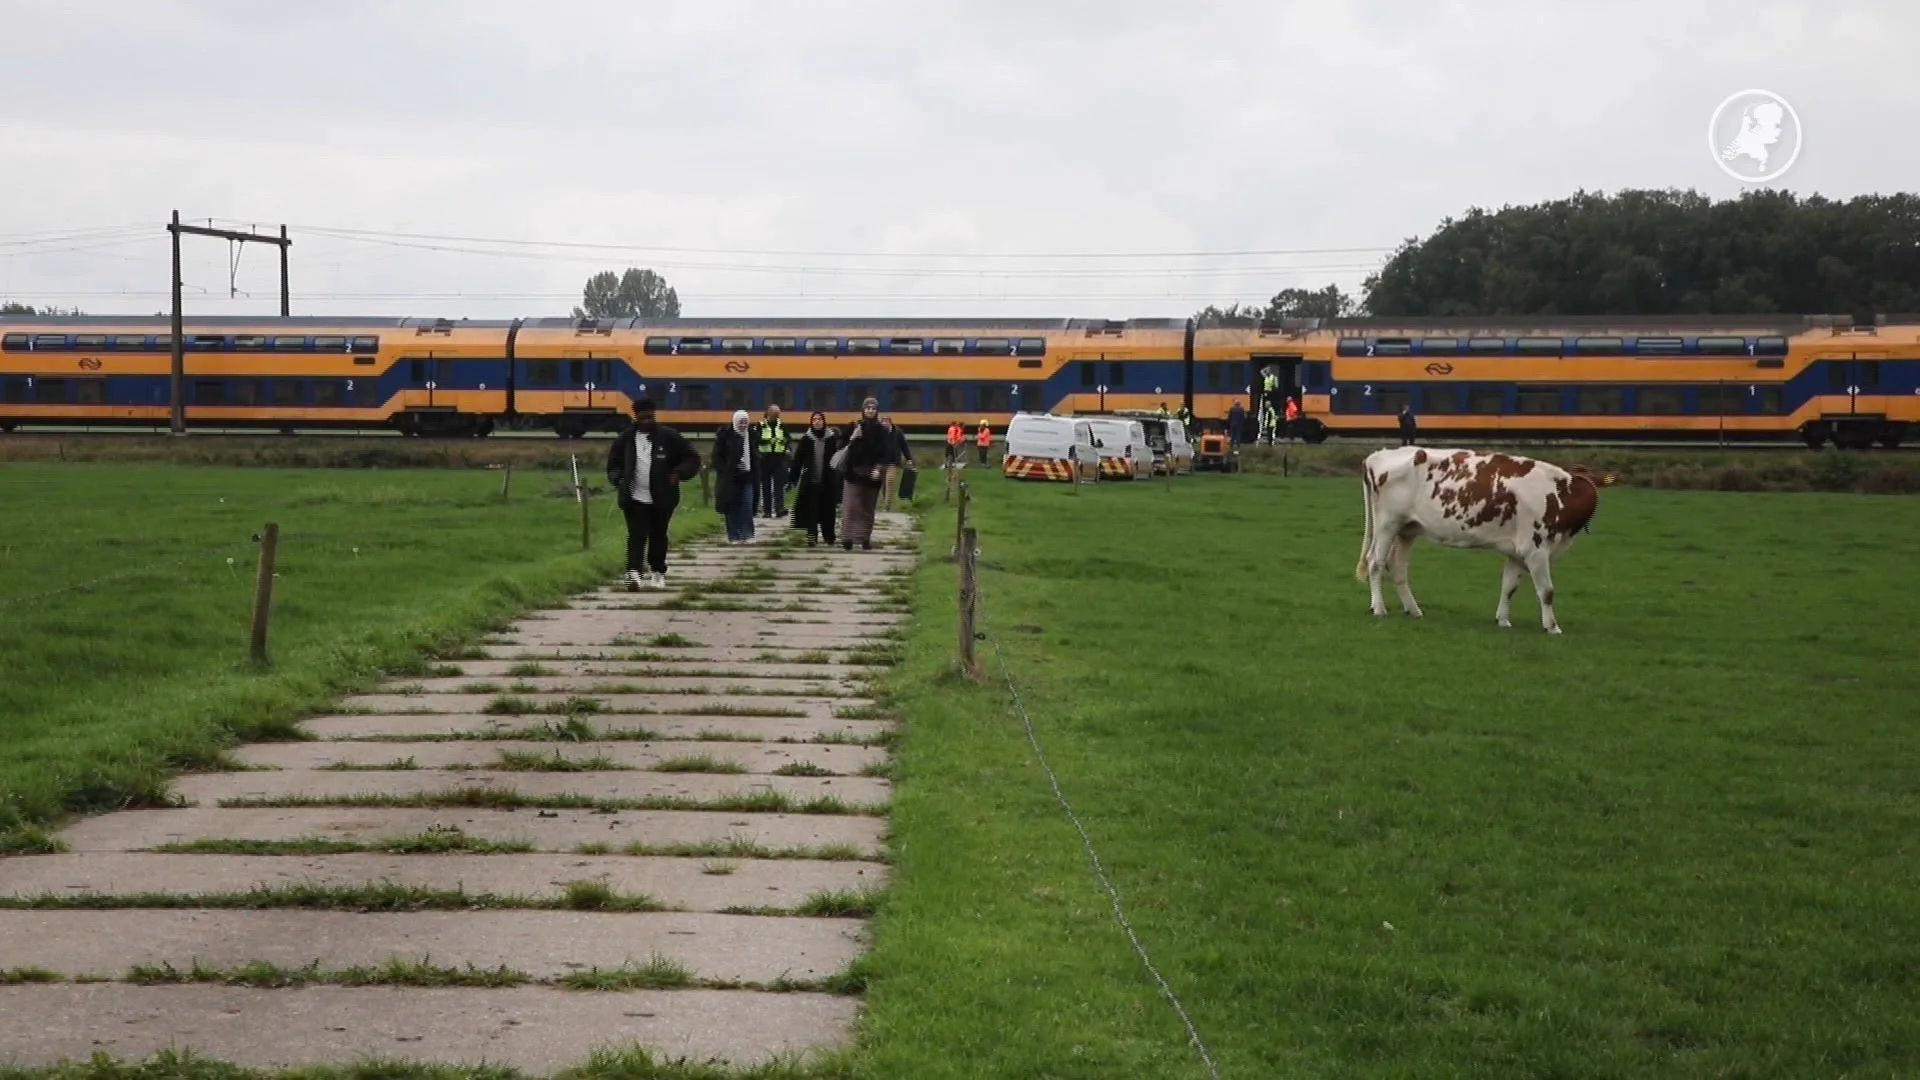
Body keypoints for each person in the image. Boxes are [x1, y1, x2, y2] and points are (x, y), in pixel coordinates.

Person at [604, 397, 701, 591]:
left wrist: (679, 473)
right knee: (636, 535)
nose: (647, 421)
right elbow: (613, 466)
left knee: (658, 535)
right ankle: (634, 573)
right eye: (643, 418)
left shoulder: (669, 437)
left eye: (650, 417)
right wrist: (619, 480)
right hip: (634, 497)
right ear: (635, 418)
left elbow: (692, 458)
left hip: (662, 497)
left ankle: (657, 571)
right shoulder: (625, 439)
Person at [840, 397, 893, 551]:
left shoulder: (882, 431)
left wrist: (879, 468)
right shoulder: (853, 427)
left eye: (873, 408)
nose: (870, 411)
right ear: (863, 410)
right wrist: (853, 438)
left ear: (876, 411)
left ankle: (864, 538)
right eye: (867, 408)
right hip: (853, 473)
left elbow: (886, 453)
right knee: (851, 506)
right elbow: (842, 446)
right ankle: (847, 538)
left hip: (872, 474)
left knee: (867, 507)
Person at [786, 410, 843, 547]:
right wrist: (792, 480)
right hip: (811, 482)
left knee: (828, 511)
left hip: (828, 482)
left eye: (819, 419)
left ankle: (829, 536)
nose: (817, 421)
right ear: (812, 423)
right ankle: (812, 536)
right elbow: (798, 460)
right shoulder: (807, 439)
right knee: (812, 511)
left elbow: (836, 459)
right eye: (814, 419)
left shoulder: (830, 439)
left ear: (824, 422)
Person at [711, 409, 759, 544]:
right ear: (735, 422)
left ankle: (748, 534)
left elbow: (755, 455)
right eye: (741, 423)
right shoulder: (725, 436)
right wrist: (725, 470)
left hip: (748, 477)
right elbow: (716, 458)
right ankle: (735, 536)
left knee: (747, 506)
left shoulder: (752, 436)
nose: (743, 425)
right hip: (731, 479)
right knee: (732, 508)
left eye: (745, 422)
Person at [753, 404, 790, 519]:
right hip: (765, 458)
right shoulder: (760, 425)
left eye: (778, 414)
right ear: (768, 413)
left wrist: (784, 442)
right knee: (766, 485)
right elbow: (756, 439)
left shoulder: (782, 425)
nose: (776, 417)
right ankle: (767, 510)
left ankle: (779, 509)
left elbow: (788, 438)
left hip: (779, 458)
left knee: (779, 485)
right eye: (774, 414)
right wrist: (769, 441)